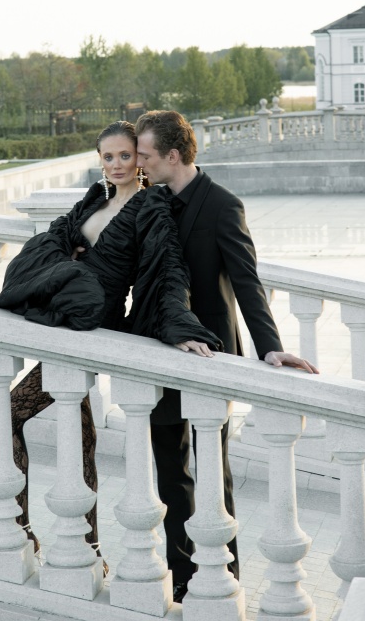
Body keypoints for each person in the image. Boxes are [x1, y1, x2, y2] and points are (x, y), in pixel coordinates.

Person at [0, 119, 221, 568]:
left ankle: (22, 530)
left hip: (94, 326)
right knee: (80, 435)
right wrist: (69, 257)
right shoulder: (95, 198)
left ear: (140, 158)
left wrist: (182, 325)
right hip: (66, 321)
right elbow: (55, 239)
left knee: (9, 413)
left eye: (125, 155)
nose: (117, 164)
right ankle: (91, 549)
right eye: (108, 156)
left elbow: (167, 266)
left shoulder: (150, 204)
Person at [135, 109, 317, 602]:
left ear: (174, 155)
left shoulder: (222, 205)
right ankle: (182, 579)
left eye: (146, 155)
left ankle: (226, 576)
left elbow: (246, 282)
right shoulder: (146, 200)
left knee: (214, 472)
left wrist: (270, 347)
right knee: (170, 473)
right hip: (156, 352)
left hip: (210, 358)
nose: (139, 163)